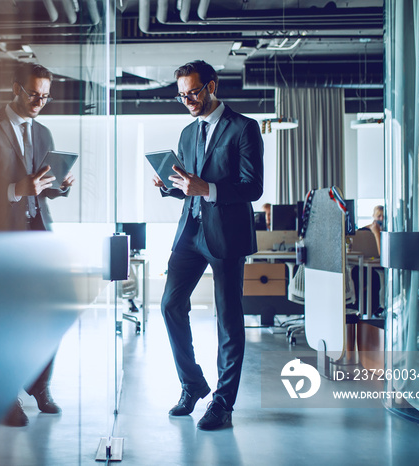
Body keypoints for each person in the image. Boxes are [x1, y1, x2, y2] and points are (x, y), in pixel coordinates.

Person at [152, 60, 263, 431]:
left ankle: (223, 403)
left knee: (228, 319)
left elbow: (253, 187)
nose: (188, 100)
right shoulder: (187, 132)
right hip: (190, 232)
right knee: (169, 305)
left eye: (194, 93)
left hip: (227, 235)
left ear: (211, 86)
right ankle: (193, 385)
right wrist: (171, 187)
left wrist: (209, 189)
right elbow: (189, 183)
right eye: (182, 95)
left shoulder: (244, 128)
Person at [0, 63, 74, 427]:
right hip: (0, 235)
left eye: (45, 96)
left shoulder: (43, 133)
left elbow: (42, 189)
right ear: (16, 88)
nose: (39, 102)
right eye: (34, 94)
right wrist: (17, 189)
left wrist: (60, 187)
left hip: (37, 232)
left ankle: (38, 385)